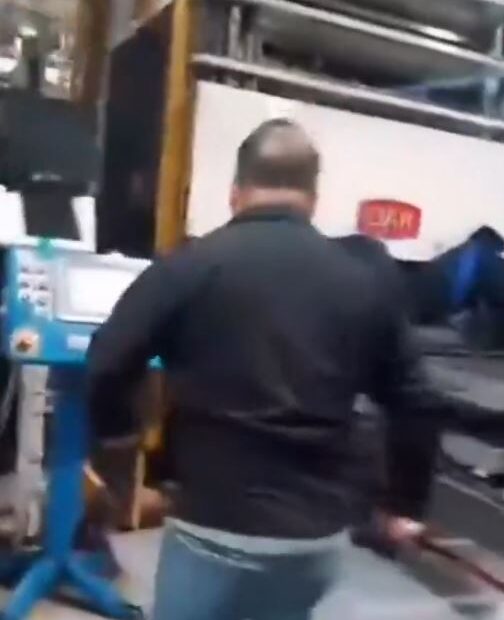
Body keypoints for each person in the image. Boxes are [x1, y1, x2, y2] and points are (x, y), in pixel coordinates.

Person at [87, 119, 438, 620]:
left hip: (214, 526)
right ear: (313, 199)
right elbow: (417, 403)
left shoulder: (189, 267)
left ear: (235, 192)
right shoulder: (364, 281)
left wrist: (120, 437)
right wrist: (404, 505)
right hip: (314, 539)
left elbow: (106, 361)